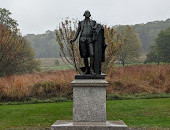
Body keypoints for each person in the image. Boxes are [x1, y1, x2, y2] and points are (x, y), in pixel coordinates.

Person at [70, 10, 96, 74]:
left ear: (90, 14)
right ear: (84, 14)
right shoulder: (81, 23)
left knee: (92, 54)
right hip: (82, 40)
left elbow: (97, 31)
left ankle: (92, 69)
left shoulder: (93, 22)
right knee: (85, 56)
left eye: (88, 13)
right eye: (86, 13)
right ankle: (86, 69)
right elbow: (77, 32)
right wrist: (73, 39)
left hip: (90, 40)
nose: (87, 14)